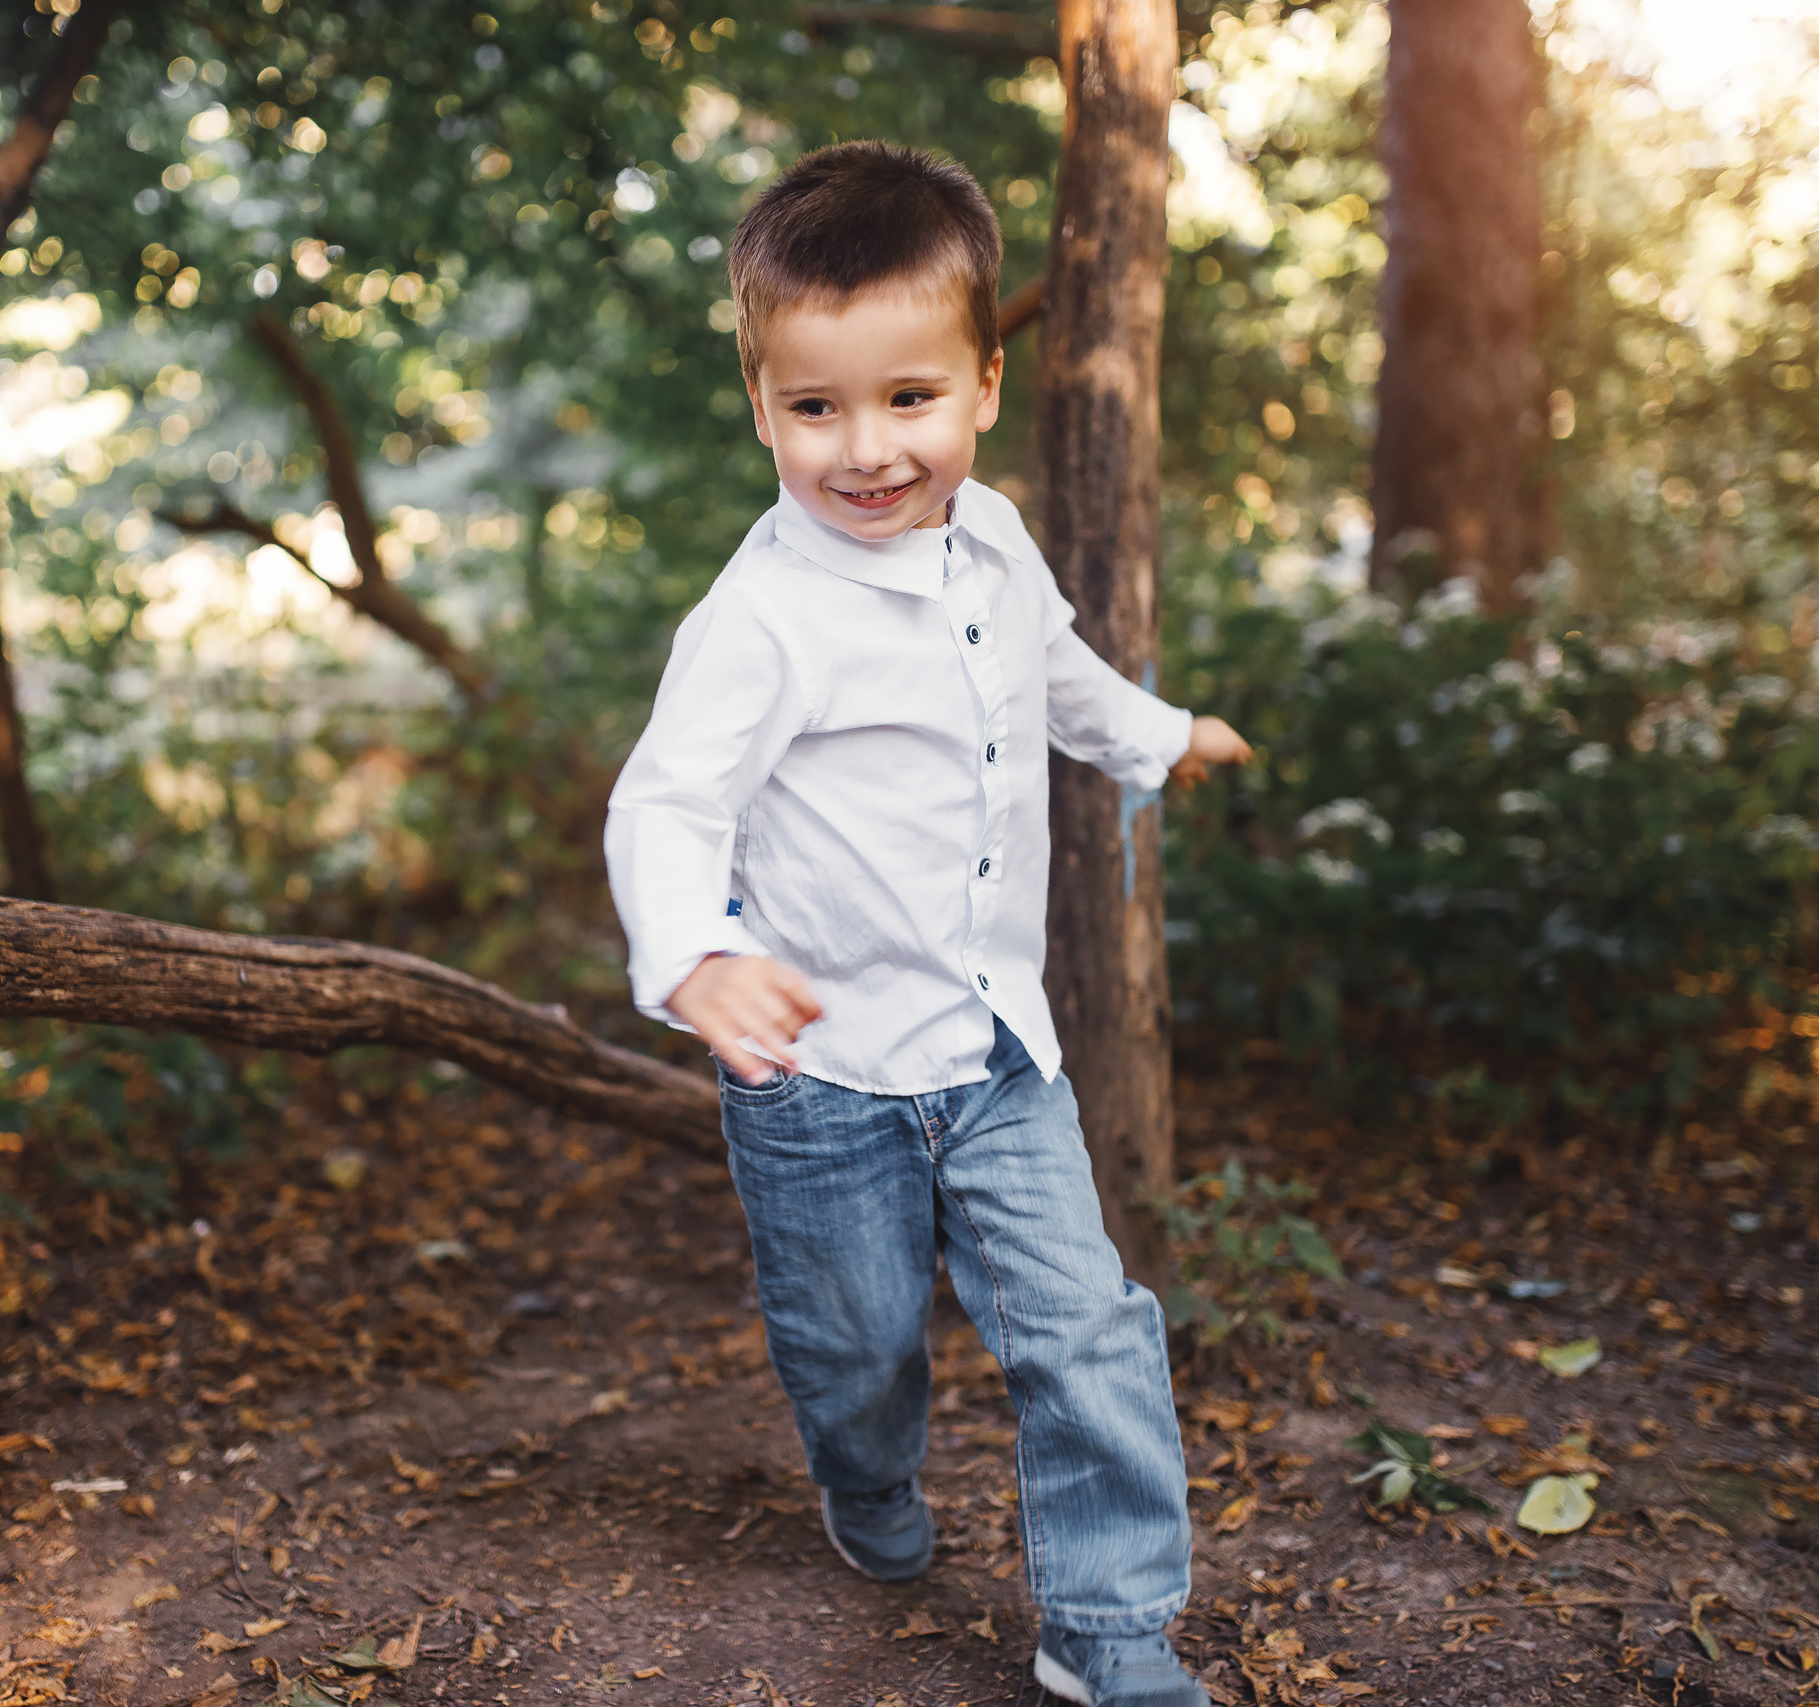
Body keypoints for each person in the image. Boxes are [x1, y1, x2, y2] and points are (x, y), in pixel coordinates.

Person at [603, 142, 1252, 1707]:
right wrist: (692, 952)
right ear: (761, 406)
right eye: (815, 408)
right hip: (822, 1080)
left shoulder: (1001, 543)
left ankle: (1110, 1636)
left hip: (997, 1050)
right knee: (858, 1347)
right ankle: (867, 1477)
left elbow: (1057, 677)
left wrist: (1152, 737)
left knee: (1085, 1330)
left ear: (982, 385)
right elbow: (662, 807)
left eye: (908, 397)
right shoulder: (757, 619)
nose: (866, 447)